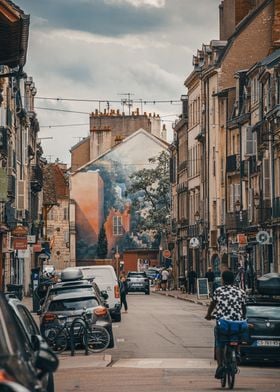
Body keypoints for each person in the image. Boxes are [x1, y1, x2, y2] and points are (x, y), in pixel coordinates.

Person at [205, 270, 246, 379]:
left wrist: (208, 315)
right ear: (233, 280)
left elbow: (213, 304)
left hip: (223, 323)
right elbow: (243, 307)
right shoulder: (241, 291)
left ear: (223, 280)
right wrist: (243, 318)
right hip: (238, 323)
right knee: (237, 336)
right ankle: (237, 352)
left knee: (220, 343)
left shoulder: (219, 291)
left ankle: (219, 366)